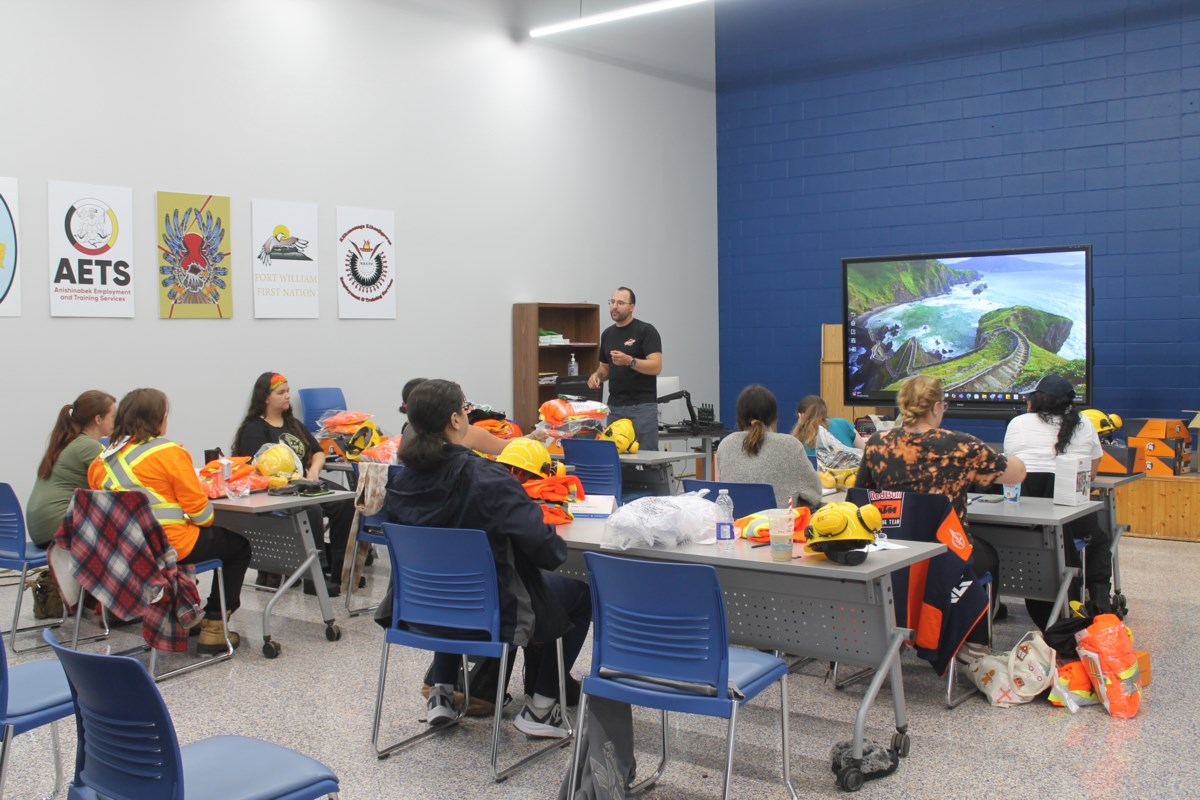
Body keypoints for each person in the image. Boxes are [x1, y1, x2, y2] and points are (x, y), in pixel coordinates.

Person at [384, 379, 591, 737]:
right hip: (492, 615)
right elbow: (547, 551)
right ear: (455, 420)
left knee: (449, 580)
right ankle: (541, 709)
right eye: (466, 408)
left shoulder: (401, 483)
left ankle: (442, 693)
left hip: (418, 611)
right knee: (580, 594)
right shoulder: (486, 477)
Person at [855, 375, 1026, 637]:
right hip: (947, 555)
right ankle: (973, 636)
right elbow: (1016, 474)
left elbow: (861, 494)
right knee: (989, 553)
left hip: (892, 553)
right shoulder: (960, 445)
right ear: (936, 407)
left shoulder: (878, 443)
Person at [88, 388, 250, 654]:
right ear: (159, 419)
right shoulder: (169, 452)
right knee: (239, 547)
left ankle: (188, 615)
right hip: (169, 547)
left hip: (125, 552)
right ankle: (214, 626)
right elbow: (203, 516)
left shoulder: (100, 461)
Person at [1004, 374, 1114, 626]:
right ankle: (1099, 601)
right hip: (1074, 519)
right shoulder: (1085, 424)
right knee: (1100, 539)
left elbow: (1011, 468)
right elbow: (1091, 474)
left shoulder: (1018, 424)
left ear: (1036, 400)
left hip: (1023, 524)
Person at [232, 372, 354, 596]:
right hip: (276, 488)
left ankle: (339, 570)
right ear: (266, 398)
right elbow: (255, 468)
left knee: (347, 501)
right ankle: (314, 576)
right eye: (281, 392)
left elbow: (317, 452)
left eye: (288, 391)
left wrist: (314, 470)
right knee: (312, 510)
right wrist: (292, 480)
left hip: (304, 481)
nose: (287, 396)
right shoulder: (254, 429)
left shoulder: (293, 424)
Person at [26, 390, 116, 548]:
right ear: (98, 419)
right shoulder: (88, 446)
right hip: (57, 530)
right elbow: (117, 482)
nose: (116, 422)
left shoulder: (65, 442)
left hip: (39, 529)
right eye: (113, 417)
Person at [716, 385, 822, 509]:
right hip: (778, 526)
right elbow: (814, 495)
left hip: (736, 526)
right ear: (774, 418)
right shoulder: (790, 445)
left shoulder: (726, 445)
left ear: (739, 418)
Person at [587, 287, 663, 451]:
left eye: (620, 303)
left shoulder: (645, 331)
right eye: (612, 302)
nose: (614, 306)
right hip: (615, 407)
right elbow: (605, 368)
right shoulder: (607, 334)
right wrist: (597, 375)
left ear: (632, 307)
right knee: (617, 458)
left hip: (642, 407)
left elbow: (656, 366)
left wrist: (629, 361)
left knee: (647, 459)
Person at [400, 377, 507, 456]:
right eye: (463, 406)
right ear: (455, 419)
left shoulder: (408, 437)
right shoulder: (478, 471)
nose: (467, 412)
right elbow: (507, 447)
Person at [792, 395, 866, 458]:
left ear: (800, 415)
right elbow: (865, 452)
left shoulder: (798, 441)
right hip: (850, 473)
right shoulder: (843, 424)